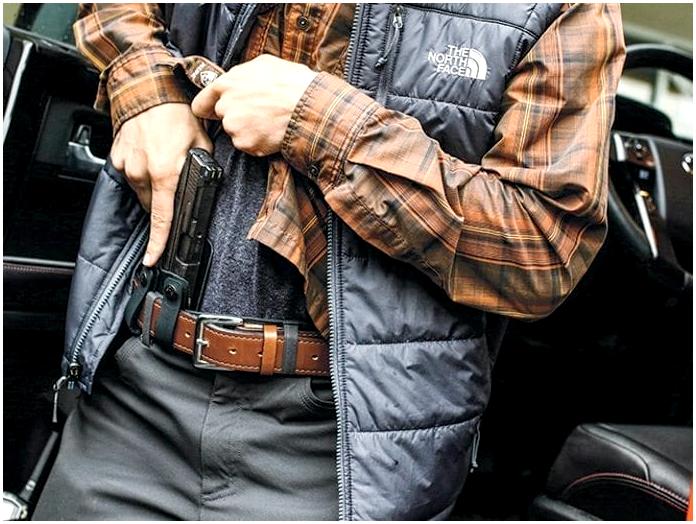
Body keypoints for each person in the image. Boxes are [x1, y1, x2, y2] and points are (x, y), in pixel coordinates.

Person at [33, 3, 625, 520]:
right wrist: (145, 89)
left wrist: (323, 125)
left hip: (344, 445)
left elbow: (543, 249)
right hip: (136, 390)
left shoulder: (565, 9)